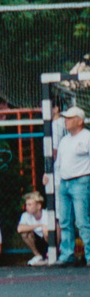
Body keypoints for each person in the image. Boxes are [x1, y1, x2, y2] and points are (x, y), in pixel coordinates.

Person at [56, 105, 90, 266]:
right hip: (65, 182)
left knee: (82, 221)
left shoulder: (87, 137)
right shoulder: (64, 140)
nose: (66, 121)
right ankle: (67, 254)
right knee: (64, 220)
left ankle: (89, 255)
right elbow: (59, 163)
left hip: (81, 181)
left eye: (70, 118)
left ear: (80, 121)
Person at [18, 190, 60, 264]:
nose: (26, 207)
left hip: (49, 241)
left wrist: (44, 228)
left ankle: (53, 254)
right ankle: (38, 256)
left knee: (46, 231)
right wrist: (39, 225)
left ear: (38, 206)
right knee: (25, 233)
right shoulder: (25, 215)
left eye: (30, 204)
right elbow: (20, 229)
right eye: (26, 204)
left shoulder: (46, 214)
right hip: (37, 241)